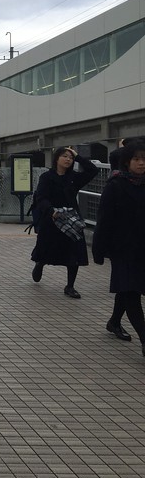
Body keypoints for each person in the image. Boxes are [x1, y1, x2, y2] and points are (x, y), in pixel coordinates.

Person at [92, 141, 145, 356]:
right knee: (130, 291)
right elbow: (104, 220)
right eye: (137, 159)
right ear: (126, 162)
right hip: (122, 248)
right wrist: (98, 249)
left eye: (144, 159)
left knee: (128, 288)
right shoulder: (116, 185)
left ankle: (114, 322)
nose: (142, 163)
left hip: (143, 248)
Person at [30, 146, 98, 298]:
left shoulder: (73, 177)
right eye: (65, 156)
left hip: (71, 218)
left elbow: (93, 170)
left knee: (74, 251)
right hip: (52, 217)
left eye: (71, 157)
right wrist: (51, 211)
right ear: (57, 159)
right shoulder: (47, 177)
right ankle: (40, 263)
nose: (68, 159)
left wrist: (78, 156)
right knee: (45, 247)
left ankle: (70, 286)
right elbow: (41, 198)